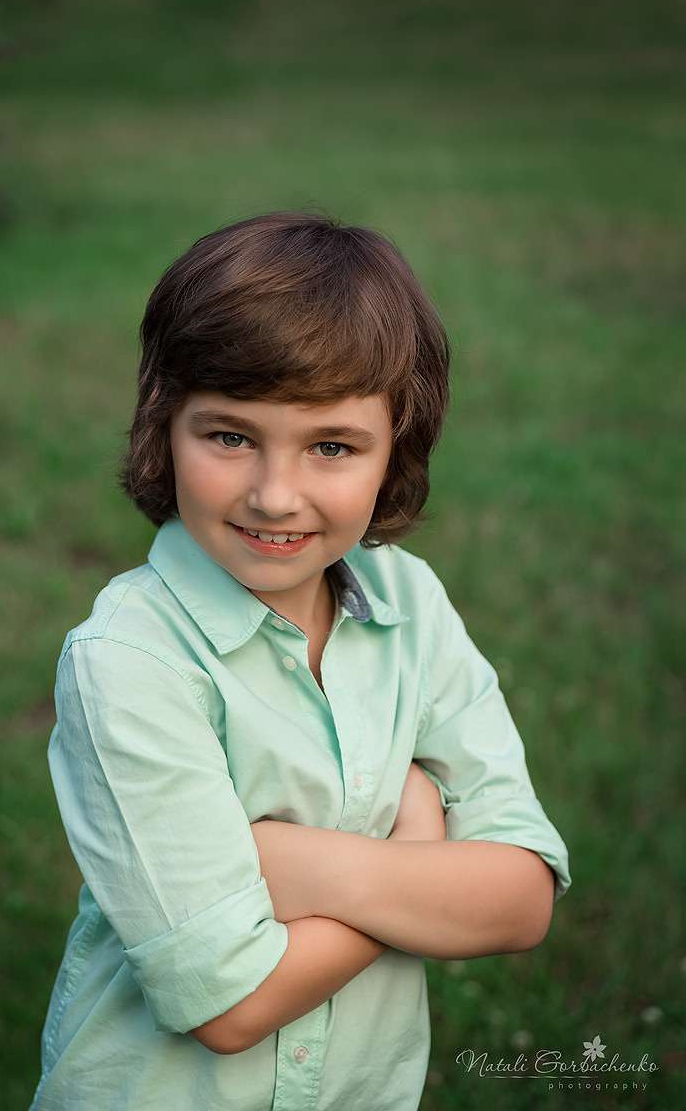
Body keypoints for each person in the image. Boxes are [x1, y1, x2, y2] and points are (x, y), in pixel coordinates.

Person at [29, 211, 570, 1111]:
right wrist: (418, 851)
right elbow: (229, 1003)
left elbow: (520, 900)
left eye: (331, 446)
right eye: (230, 436)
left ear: (399, 442)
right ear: (165, 424)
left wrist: (304, 867)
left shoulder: (410, 606)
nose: (276, 495)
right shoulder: (130, 662)